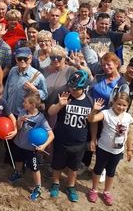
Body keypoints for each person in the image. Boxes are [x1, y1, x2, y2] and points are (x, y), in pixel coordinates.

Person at [47, 70, 92, 202]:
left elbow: (93, 123)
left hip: (79, 142)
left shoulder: (89, 101)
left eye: (76, 88)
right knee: (57, 164)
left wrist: (93, 139)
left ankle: (70, 186)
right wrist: (60, 104)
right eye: (70, 87)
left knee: (74, 167)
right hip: (61, 139)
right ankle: (55, 183)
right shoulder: (64, 96)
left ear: (83, 88)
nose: (72, 90)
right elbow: (50, 112)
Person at [87, 92, 133, 206]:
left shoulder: (128, 117)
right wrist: (94, 110)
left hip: (118, 151)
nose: (121, 107)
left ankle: (106, 192)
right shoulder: (106, 113)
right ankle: (94, 189)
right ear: (113, 102)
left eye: (124, 105)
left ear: (127, 106)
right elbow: (91, 119)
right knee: (98, 169)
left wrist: (129, 149)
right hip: (103, 148)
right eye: (119, 104)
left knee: (111, 172)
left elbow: (129, 133)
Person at [8, 93, 54, 201]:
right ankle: (18, 173)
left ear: (33, 105)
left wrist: (43, 146)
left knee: (34, 167)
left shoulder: (41, 118)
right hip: (19, 144)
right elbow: (18, 128)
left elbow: (52, 135)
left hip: (31, 149)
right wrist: (20, 120)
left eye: (25, 102)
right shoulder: (22, 112)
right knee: (18, 160)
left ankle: (38, 187)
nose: (23, 104)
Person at [4, 47, 48, 116]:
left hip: (25, 115)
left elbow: (45, 95)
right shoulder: (13, 70)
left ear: (30, 59)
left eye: (25, 59)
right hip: (9, 113)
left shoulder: (39, 76)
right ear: (16, 59)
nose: (22, 61)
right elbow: (6, 90)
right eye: (19, 59)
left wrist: (34, 90)